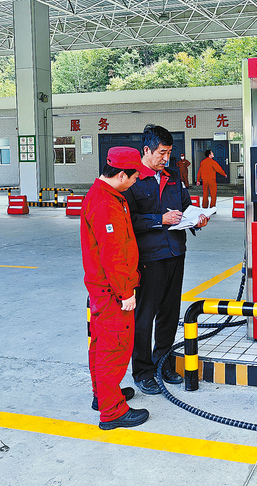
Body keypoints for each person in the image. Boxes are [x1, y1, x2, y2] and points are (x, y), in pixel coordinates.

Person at [124, 125, 209, 395]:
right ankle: (143, 371)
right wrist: (159, 219)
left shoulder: (173, 177)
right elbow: (128, 220)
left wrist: (196, 219)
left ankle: (163, 364)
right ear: (146, 150)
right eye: (162, 152)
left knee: (170, 314)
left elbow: (185, 206)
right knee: (145, 315)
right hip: (149, 258)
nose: (166, 158)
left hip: (175, 252)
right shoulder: (132, 179)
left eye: (169, 152)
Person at [81, 146, 150, 430]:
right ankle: (112, 412)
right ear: (121, 174)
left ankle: (103, 395)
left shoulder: (104, 195)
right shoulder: (105, 203)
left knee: (100, 344)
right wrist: (126, 293)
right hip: (112, 291)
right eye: (134, 177)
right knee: (114, 348)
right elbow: (113, 254)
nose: (136, 182)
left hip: (101, 288)